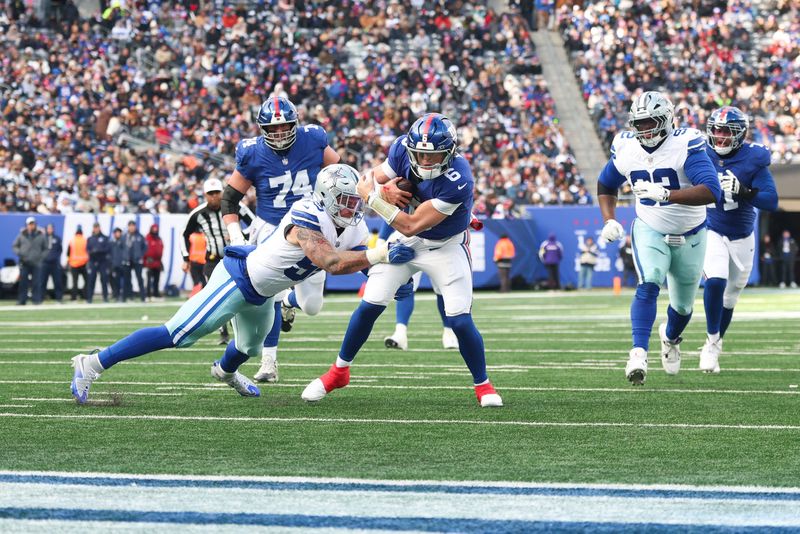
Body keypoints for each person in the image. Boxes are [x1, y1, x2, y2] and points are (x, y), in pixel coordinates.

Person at [70, 164, 415, 404]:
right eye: (345, 201)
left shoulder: (352, 224)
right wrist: (380, 255)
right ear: (324, 198)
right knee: (178, 335)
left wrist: (386, 279)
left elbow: (358, 260)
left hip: (265, 292)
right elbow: (331, 262)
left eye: (355, 200)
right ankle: (93, 363)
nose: (353, 207)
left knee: (249, 347)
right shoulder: (307, 216)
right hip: (238, 279)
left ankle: (224, 371)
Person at [301, 113, 503, 407]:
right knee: (370, 304)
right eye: (420, 154)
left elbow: (410, 224)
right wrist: (383, 190)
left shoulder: (459, 179)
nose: (425, 161)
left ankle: (483, 385)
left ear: (449, 153)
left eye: (433, 156)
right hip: (407, 241)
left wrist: (374, 199)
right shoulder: (400, 149)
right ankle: (338, 372)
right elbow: (367, 179)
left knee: (459, 321)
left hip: (445, 245)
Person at [596, 91, 721, 385]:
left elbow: (711, 190)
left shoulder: (684, 144)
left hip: (691, 232)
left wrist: (668, 194)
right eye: (639, 123)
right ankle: (638, 352)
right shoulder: (626, 147)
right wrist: (609, 218)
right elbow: (606, 183)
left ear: (666, 120)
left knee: (683, 307)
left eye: (650, 122)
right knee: (649, 279)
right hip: (650, 226)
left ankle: (670, 337)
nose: (644, 129)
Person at [221, 96, 341, 383]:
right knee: (267, 295)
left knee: (312, 306)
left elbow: (339, 173)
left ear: (295, 123)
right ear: (262, 129)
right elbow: (229, 199)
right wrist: (236, 234)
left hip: (311, 228)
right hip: (271, 228)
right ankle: (268, 362)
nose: (278, 134)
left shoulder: (313, 139)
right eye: (272, 129)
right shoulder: (251, 153)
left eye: (284, 127)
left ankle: (290, 301)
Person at [701, 106, 778, 373]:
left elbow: (771, 200)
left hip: (743, 235)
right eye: (716, 130)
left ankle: (715, 341)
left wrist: (745, 191)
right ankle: (711, 343)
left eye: (726, 132)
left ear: (740, 134)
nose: (720, 137)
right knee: (716, 280)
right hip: (711, 229)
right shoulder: (699, 152)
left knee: (730, 297)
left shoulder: (753, 158)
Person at [182, 178, 253, 344]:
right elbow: (184, 234)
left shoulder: (235, 206)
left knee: (241, 293)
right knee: (214, 295)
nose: (214, 197)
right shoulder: (198, 213)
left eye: (217, 193)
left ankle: (243, 329)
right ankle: (223, 332)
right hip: (212, 259)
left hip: (235, 257)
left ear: (222, 193)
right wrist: (185, 257)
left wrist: (240, 235)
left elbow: (254, 224)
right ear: (205, 195)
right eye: (210, 194)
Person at [12, 216, 47, 305]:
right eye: (29, 224)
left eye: (33, 224)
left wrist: (40, 257)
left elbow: (46, 248)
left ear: (35, 225)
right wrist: (20, 253)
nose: (31, 226)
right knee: (23, 283)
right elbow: (14, 246)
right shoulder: (21, 235)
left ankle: (36, 300)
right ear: (27, 225)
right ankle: (22, 300)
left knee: (37, 282)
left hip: (36, 262)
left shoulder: (41, 235)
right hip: (24, 262)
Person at [86, 222, 111, 303]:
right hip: (93, 261)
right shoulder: (90, 239)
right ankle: (89, 298)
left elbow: (107, 249)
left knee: (104, 280)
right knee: (91, 280)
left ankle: (105, 297)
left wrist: (97, 250)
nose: (96, 229)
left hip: (102, 261)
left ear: (99, 228)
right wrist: (94, 251)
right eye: (95, 227)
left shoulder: (105, 238)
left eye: (97, 227)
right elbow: (88, 250)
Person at [123, 221, 146, 302]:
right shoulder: (125, 236)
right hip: (127, 260)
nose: (132, 227)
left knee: (139, 279)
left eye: (133, 226)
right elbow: (122, 247)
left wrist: (140, 255)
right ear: (128, 227)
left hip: (137, 260)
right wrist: (124, 257)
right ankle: (128, 296)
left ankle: (143, 297)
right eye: (130, 226)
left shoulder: (140, 236)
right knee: (127, 279)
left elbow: (145, 247)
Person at [41, 223, 64, 303]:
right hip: (45, 263)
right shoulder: (43, 238)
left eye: (51, 228)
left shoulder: (57, 238)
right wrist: (44, 258)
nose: (50, 230)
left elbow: (60, 250)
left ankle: (59, 298)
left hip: (54, 263)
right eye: (48, 228)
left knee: (57, 281)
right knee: (43, 281)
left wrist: (55, 257)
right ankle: (41, 298)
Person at [67, 225, 88, 301]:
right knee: (87, 281)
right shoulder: (85, 240)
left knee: (74, 282)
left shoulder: (72, 241)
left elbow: (68, 253)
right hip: (84, 263)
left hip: (74, 264)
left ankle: (74, 297)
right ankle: (84, 295)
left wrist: (68, 262)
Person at [143, 224, 164, 300]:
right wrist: (146, 259)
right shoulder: (147, 238)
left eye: (156, 229)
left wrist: (160, 260)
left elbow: (161, 249)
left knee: (156, 280)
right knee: (148, 280)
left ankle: (155, 294)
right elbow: (144, 249)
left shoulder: (159, 239)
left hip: (157, 262)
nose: (155, 230)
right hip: (149, 262)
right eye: (154, 229)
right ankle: (148, 294)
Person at [109, 228, 126, 301]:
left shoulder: (124, 242)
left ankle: (124, 295)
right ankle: (116, 295)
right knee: (116, 281)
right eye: (116, 233)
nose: (118, 234)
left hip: (123, 264)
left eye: (119, 233)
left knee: (125, 281)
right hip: (115, 265)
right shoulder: (112, 243)